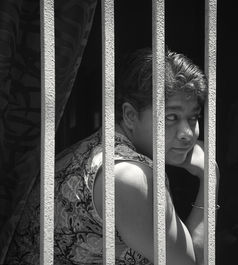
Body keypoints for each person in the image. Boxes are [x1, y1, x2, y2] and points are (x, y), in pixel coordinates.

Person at [4, 47, 220, 265]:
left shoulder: (94, 151)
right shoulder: (131, 176)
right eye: (172, 117)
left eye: (193, 118)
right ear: (129, 116)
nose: (188, 133)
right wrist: (210, 179)